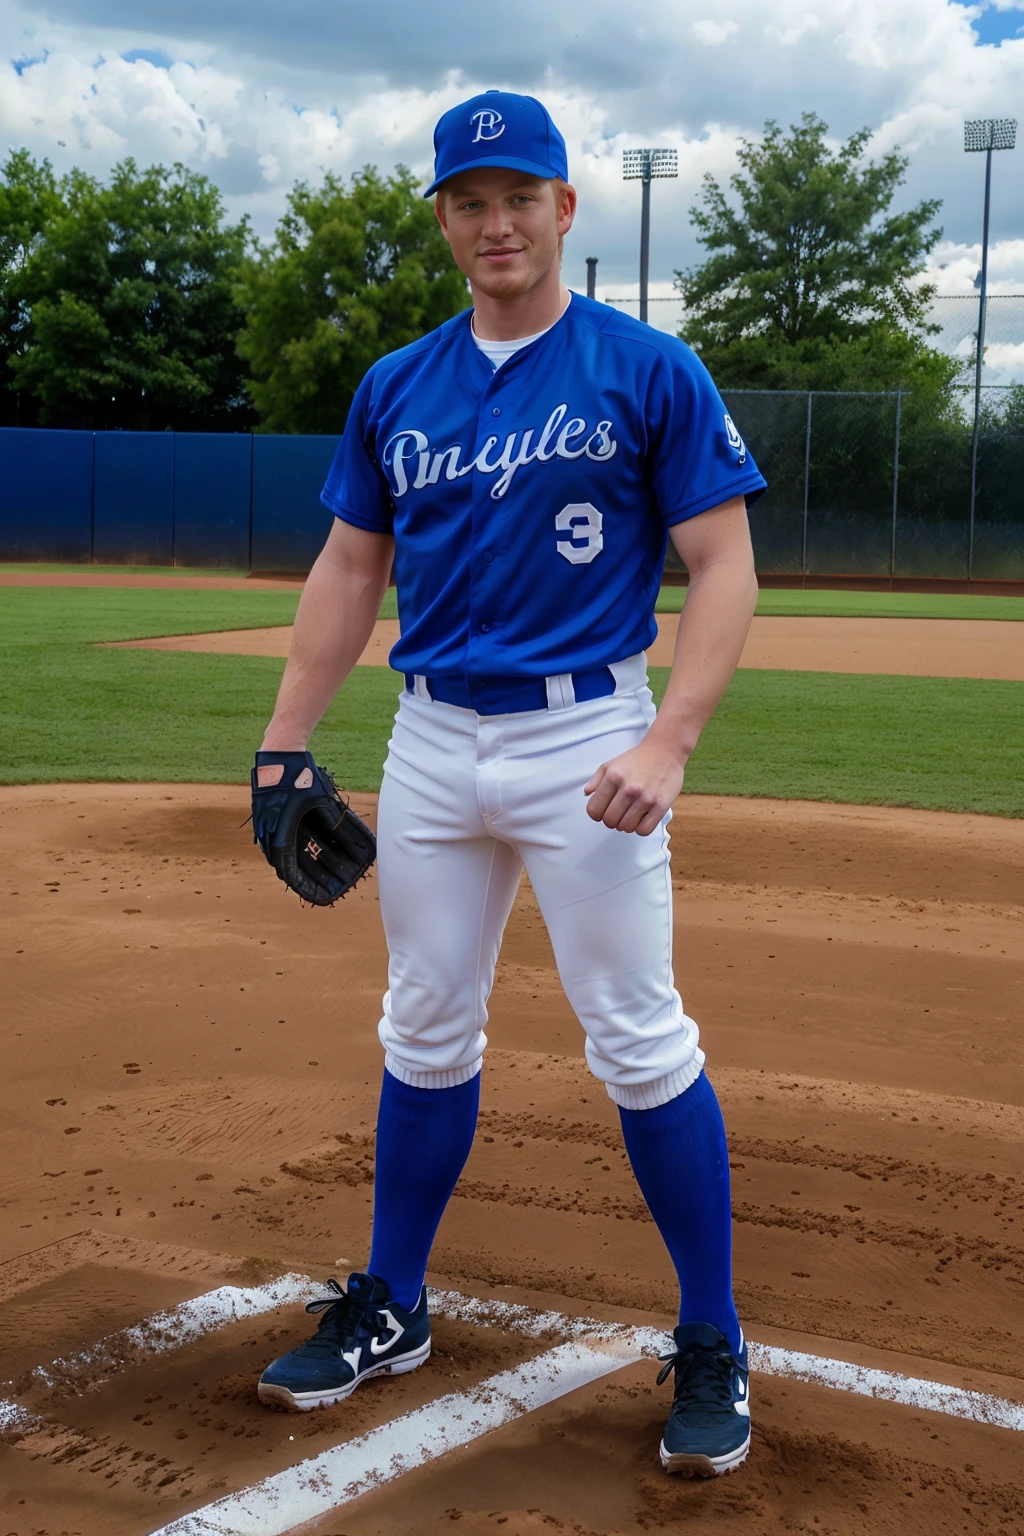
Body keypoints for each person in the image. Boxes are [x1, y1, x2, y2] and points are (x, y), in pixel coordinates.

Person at [254, 89, 766, 1479]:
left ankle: (712, 1338)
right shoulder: (398, 386)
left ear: (564, 210)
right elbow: (352, 571)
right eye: (469, 201)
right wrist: (286, 741)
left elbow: (723, 568)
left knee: (639, 1037)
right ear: (444, 219)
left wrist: (666, 747)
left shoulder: (646, 370)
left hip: (582, 738)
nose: (496, 222)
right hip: (433, 740)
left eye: (518, 196)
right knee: (424, 1026)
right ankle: (394, 1303)